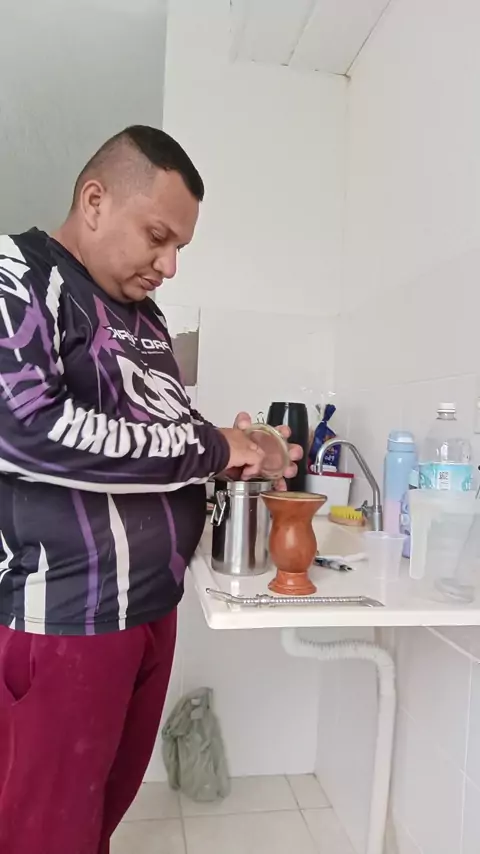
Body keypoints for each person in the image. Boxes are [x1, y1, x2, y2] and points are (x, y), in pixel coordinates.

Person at [0, 125, 301, 854]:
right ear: (94, 201)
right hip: (66, 618)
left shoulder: (146, 317)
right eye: (158, 237)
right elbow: (26, 427)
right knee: (44, 834)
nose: (168, 266)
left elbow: (161, 436)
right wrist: (211, 447)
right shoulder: (18, 273)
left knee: (97, 816)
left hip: (150, 609)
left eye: (179, 249)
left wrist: (237, 450)